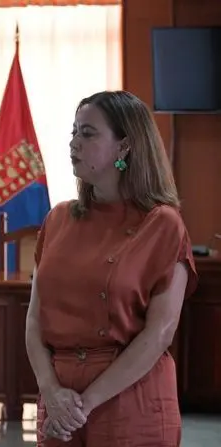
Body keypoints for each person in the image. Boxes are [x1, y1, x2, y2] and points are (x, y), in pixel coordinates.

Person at [26, 90, 198, 446]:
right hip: (59, 399)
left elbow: (159, 334)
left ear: (124, 147)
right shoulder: (58, 218)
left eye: (88, 134)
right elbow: (34, 320)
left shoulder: (162, 224)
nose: (74, 143)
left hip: (130, 398)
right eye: (73, 132)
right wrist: (52, 392)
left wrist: (82, 406)